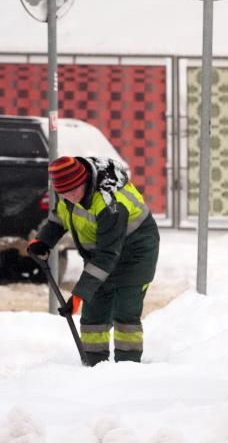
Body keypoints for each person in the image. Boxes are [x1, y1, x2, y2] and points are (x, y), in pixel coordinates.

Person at [28, 156, 160, 366]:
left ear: (85, 181)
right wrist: (43, 240)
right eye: (64, 193)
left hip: (135, 253)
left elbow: (108, 255)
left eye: (74, 190)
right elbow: (60, 216)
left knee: (125, 311)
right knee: (94, 311)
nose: (70, 197)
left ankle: (128, 367)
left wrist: (79, 294)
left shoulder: (110, 203)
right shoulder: (66, 192)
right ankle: (93, 365)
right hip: (102, 252)